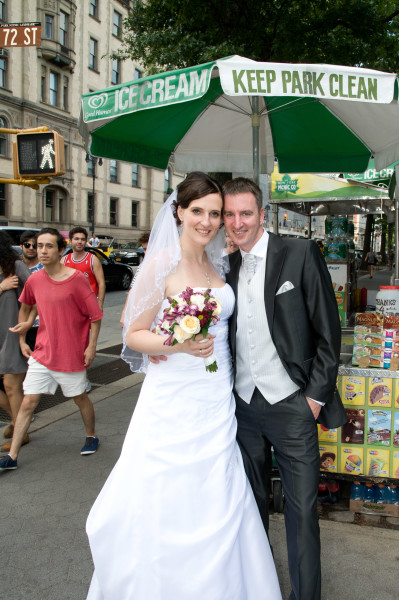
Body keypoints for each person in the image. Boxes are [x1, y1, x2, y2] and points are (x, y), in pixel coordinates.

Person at [84, 172, 282, 600]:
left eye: (215, 213)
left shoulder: (218, 263)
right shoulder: (162, 264)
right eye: (198, 211)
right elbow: (134, 334)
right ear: (178, 212)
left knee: (219, 488)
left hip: (216, 396)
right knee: (168, 492)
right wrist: (177, 342)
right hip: (174, 396)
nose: (208, 221)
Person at [223, 177, 346, 600]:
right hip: (243, 409)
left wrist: (312, 399)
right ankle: (259, 589)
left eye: (246, 213)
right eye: (230, 214)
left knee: (300, 512)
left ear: (263, 213)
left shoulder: (299, 253)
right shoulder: (226, 267)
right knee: (251, 507)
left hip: (293, 405)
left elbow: (329, 334)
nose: (237, 223)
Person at [0, 228, 103, 472]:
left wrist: (91, 346)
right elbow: (25, 308)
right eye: (39, 246)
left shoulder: (76, 279)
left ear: (60, 250)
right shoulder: (35, 279)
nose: (42, 251)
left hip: (71, 353)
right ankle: (13, 456)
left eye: (48, 246)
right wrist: (23, 338)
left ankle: (91, 435)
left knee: (80, 398)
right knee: (27, 403)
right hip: (42, 352)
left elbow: (95, 316)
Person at [62, 226, 106, 393]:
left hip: (88, 308)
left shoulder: (92, 259)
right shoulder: (64, 260)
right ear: (71, 241)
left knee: (85, 343)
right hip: (70, 309)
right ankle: (72, 373)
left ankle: (83, 377)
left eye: (82, 239)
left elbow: (101, 283)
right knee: (70, 341)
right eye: (76, 239)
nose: (79, 242)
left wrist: (100, 302)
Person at [0, 231, 31, 452]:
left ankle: (22, 432)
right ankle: (15, 420)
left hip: (11, 333)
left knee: (12, 386)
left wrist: (28, 323)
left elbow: (37, 295)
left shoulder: (16, 267)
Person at [20, 230, 44, 352]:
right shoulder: (13, 267)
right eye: (27, 245)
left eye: (34, 245)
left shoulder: (45, 268)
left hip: (40, 325)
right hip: (18, 323)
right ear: (21, 246)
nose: (31, 248)